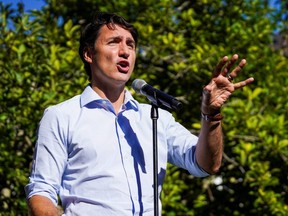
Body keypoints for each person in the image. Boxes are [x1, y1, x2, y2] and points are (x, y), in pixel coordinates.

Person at [25, 12, 254, 215]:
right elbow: (41, 191)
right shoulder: (61, 115)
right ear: (88, 53)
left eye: (131, 45)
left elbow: (204, 164)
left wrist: (211, 115)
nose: (125, 51)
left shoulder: (156, 117)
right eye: (114, 42)